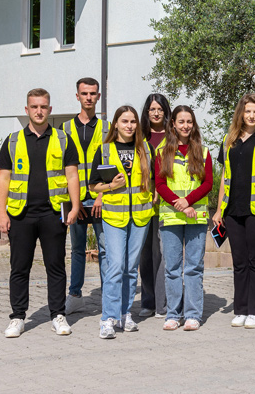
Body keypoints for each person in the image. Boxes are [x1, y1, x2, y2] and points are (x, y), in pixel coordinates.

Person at [0, 88, 81, 338]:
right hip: (20, 215)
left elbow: (72, 175)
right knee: (19, 268)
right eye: (34, 107)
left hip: (53, 214)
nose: (39, 111)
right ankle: (18, 317)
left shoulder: (63, 139)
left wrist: (75, 207)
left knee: (55, 266)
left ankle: (58, 315)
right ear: (27, 110)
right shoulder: (12, 141)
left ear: (50, 109)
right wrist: (1, 213)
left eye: (43, 106)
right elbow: (3, 179)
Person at [213, 93, 255, 329]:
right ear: (240, 114)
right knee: (239, 262)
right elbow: (225, 177)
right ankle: (241, 309)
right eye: (247, 111)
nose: (251, 115)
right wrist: (219, 210)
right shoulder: (228, 140)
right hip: (232, 209)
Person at [89, 104, 154, 339]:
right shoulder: (104, 150)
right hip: (114, 217)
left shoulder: (145, 148)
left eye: (133, 121)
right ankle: (108, 318)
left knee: (130, 268)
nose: (129, 125)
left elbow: (153, 181)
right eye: (124, 121)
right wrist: (110, 186)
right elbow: (92, 185)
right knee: (115, 267)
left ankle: (125, 314)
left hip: (140, 216)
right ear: (115, 124)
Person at [154, 104, 213, 332]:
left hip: (196, 216)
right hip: (171, 218)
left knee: (194, 268)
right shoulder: (162, 152)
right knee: (172, 268)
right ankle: (173, 314)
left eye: (189, 122)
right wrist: (179, 204)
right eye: (181, 122)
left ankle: (193, 314)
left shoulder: (203, 152)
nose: (186, 126)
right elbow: (160, 184)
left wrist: (187, 202)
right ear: (173, 124)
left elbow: (208, 183)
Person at [65, 77, 105, 316]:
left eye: (92, 93)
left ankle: (108, 296)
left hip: (100, 199)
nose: (88, 97)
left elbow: (111, 165)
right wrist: (74, 201)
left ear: (98, 96)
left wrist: (101, 195)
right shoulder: (65, 129)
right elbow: (62, 168)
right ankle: (75, 296)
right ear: (77, 96)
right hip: (76, 200)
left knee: (105, 249)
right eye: (84, 93)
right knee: (77, 249)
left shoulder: (107, 128)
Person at [137, 93, 171, 320]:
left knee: (162, 255)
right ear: (147, 112)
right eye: (152, 109)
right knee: (145, 256)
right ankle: (147, 302)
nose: (156, 113)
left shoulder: (173, 136)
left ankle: (163, 304)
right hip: (143, 203)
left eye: (160, 109)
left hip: (166, 204)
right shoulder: (140, 137)